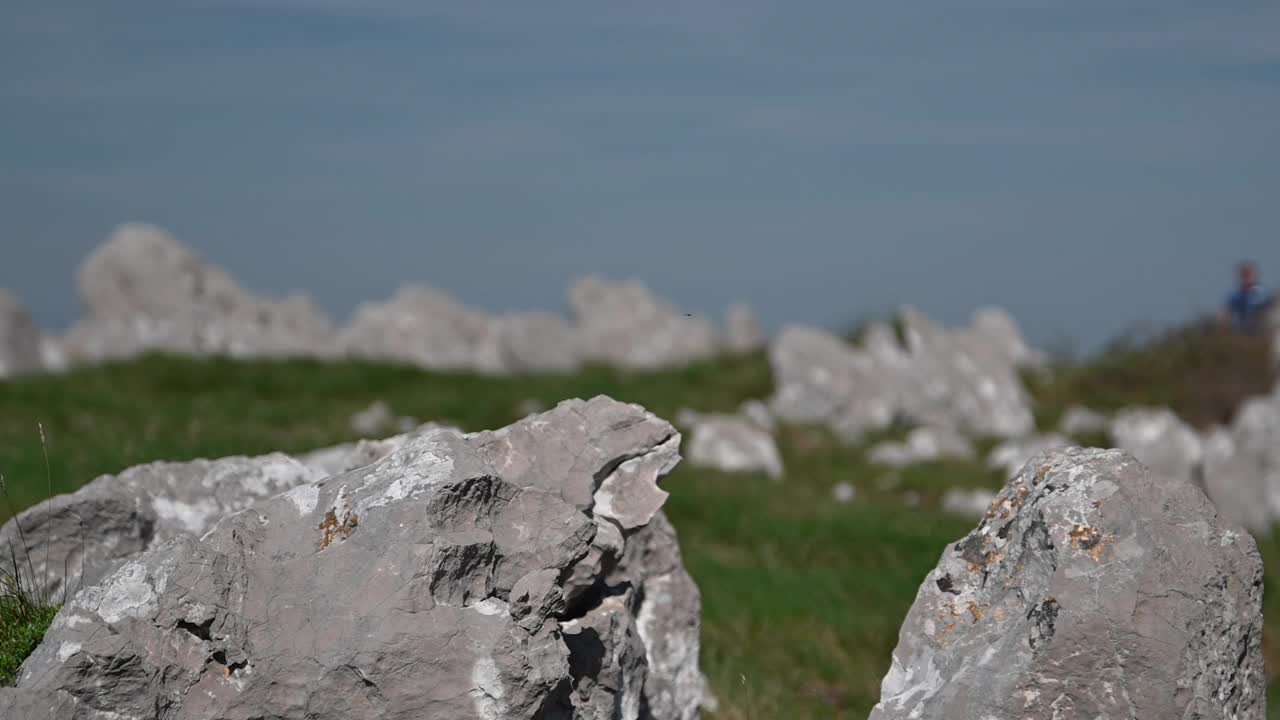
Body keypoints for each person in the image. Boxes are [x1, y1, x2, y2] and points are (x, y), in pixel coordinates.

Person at [1221, 261, 1276, 335]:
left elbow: (1273, 310)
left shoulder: (1265, 294)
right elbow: (1227, 313)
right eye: (1244, 275)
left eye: (1249, 275)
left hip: (1262, 330)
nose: (1247, 279)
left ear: (1255, 275)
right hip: (1242, 331)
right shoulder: (1236, 296)